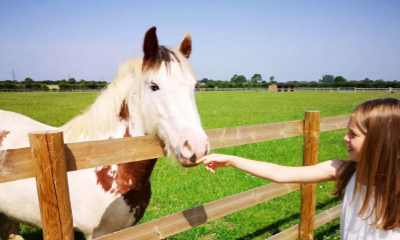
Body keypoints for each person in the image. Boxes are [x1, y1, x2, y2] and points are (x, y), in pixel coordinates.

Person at [196, 98, 400, 239]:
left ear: (381, 141)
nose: (345, 138)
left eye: (353, 135)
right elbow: (281, 173)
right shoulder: (343, 169)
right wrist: (231, 160)